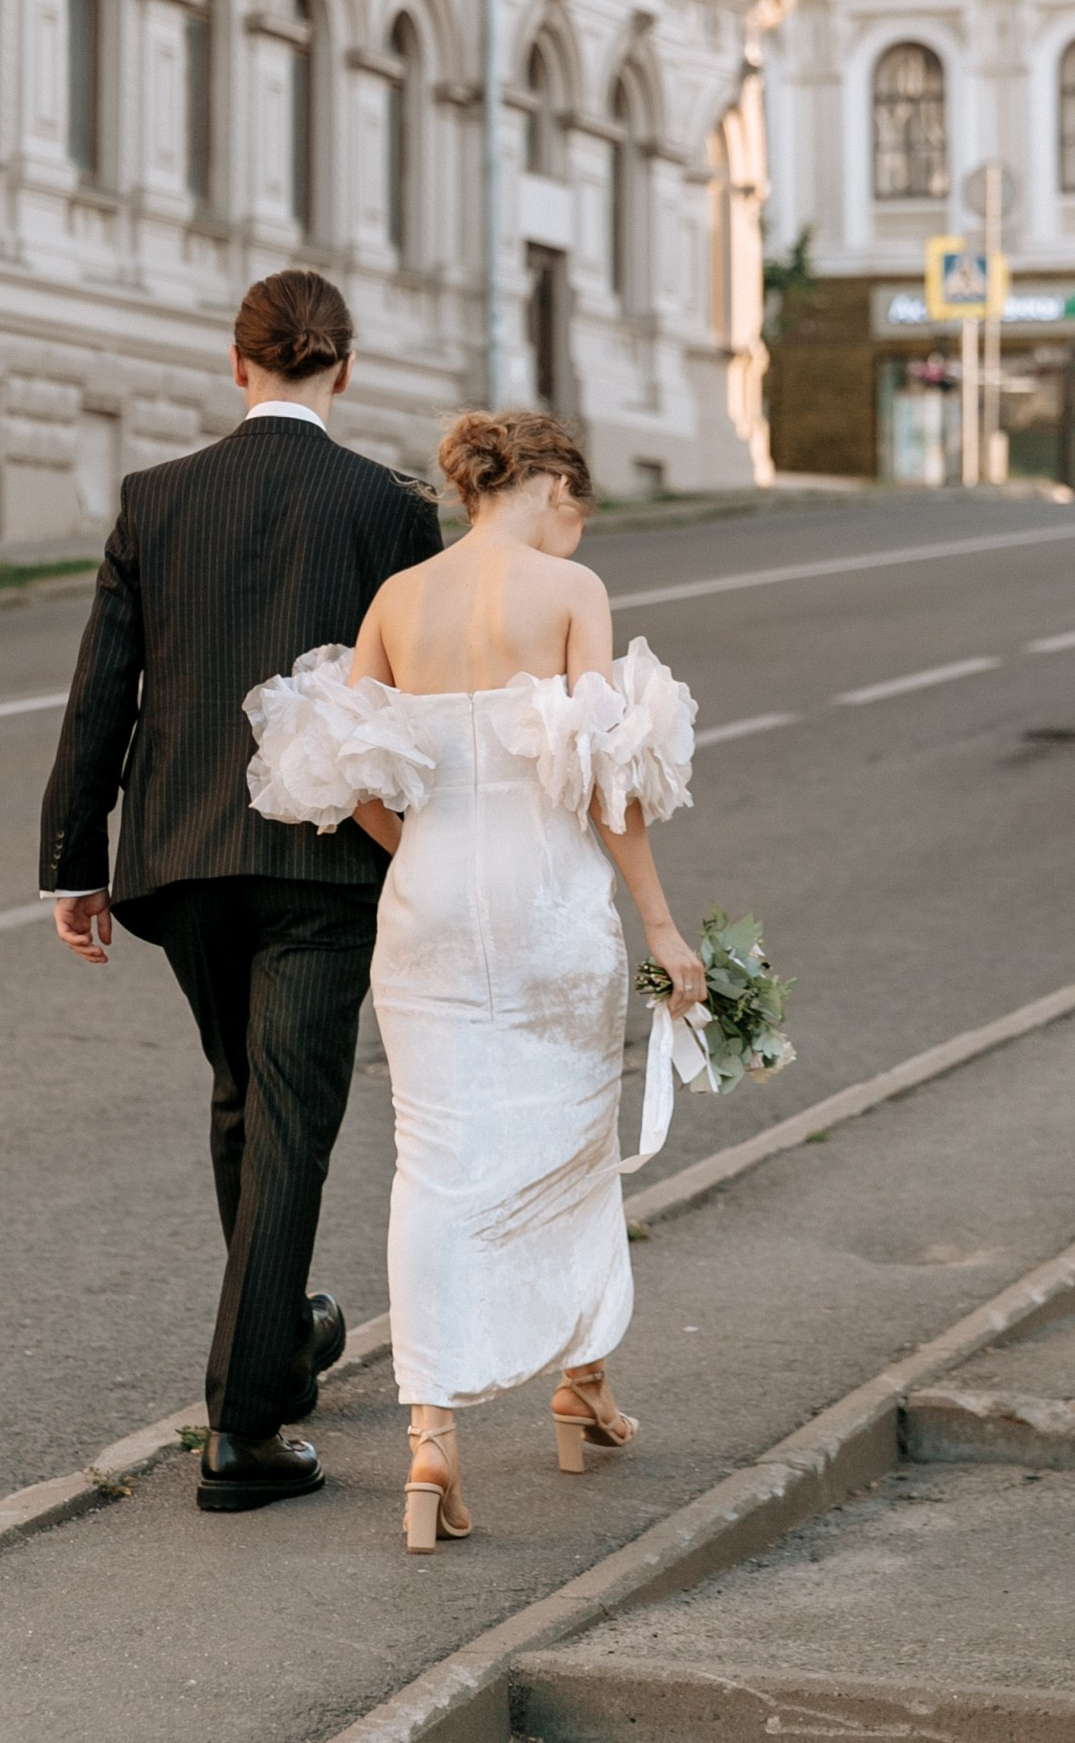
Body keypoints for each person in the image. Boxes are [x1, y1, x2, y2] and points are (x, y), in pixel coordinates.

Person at [245, 407, 707, 1554]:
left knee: (433, 1159)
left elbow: (340, 762)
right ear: (550, 486)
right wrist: (661, 926)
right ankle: (577, 1381)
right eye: (577, 507)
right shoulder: (568, 591)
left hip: (429, 907)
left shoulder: (398, 599)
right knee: (569, 1140)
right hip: (548, 904)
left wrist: (416, 854)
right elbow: (608, 784)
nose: (574, 528)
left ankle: (431, 1441)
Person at [39, 270, 442, 1512]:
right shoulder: (387, 508)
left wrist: (75, 859)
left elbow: (105, 685)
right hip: (322, 857)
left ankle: (279, 1345)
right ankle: (244, 1428)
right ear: (345, 368)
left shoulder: (156, 500)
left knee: (242, 1095)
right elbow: (419, 706)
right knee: (287, 1121)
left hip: (181, 859)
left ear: (235, 364)